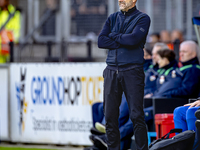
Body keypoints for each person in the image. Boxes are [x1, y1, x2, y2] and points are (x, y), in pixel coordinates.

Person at [98, 0, 151, 149]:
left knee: (136, 115)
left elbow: (134, 39)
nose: (120, 0)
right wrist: (122, 39)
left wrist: (113, 36)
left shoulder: (143, 18)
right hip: (111, 70)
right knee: (109, 115)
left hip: (132, 71)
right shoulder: (112, 17)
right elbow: (101, 41)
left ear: (134, 0)